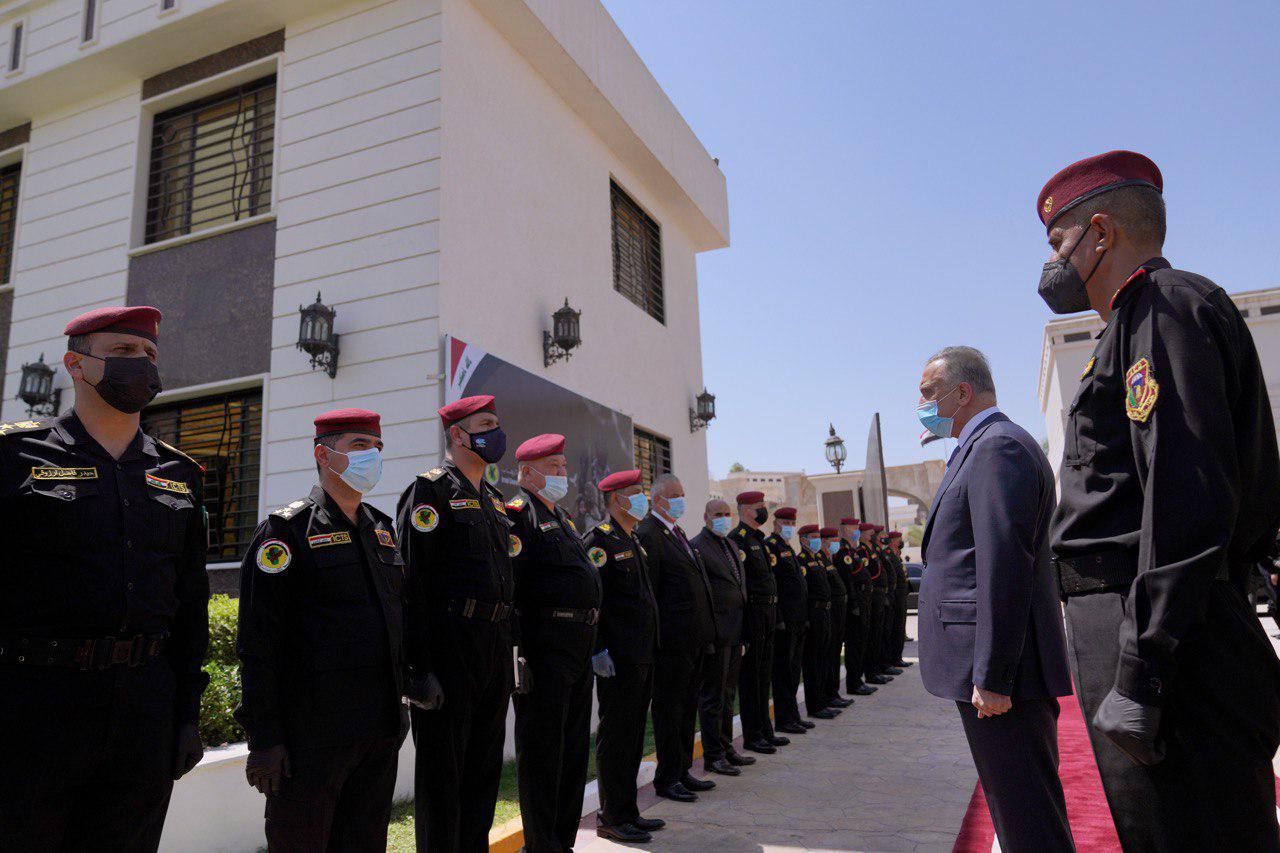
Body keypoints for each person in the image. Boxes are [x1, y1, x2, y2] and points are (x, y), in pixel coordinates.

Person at [1036, 150, 1280, 849]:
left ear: (1102, 234)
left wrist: (1143, 668)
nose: (1053, 262)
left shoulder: (1164, 310)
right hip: (1145, 627)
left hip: (1172, 648)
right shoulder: (1132, 323)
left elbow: (1187, 497)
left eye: (1060, 242)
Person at [0, 306, 208, 851]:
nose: (141, 364)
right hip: (34, 704)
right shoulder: (14, 456)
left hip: (143, 708)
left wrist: (186, 712)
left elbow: (191, 603)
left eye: (149, 355)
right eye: (122, 352)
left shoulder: (179, 473)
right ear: (76, 364)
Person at [916, 346, 1075, 852]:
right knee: (1017, 812)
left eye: (927, 393)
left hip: (1004, 677)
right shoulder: (978, 445)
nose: (920, 404)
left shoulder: (996, 447)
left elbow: (1003, 566)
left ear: (961, 392)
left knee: (1028, 818)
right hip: (994, 672)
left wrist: (993, 674)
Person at [236, 409, 408, 851]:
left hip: (378, 729)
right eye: (359, 446)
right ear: (322, 455)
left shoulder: (382, 530)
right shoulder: (286, 532)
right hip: (312, 738)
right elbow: (259, 645)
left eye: (377, 447)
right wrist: (266, 740)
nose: (372, 456)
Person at [397, 394, 518, 852]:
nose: (496, 432)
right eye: (486, 423)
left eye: (496, 422)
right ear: (457, 434)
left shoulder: (494, 499)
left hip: (492, 645)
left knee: (484, 773)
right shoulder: (429, 492)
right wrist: (417, 670)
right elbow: (413, 585)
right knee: (443, 777)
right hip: (451, 648)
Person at [506, 434, 601, 853]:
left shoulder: (561, 518)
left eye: (564, 467)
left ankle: (562, 843)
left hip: (577, 645)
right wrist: (519, 654)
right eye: (553, 468)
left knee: (573, 751)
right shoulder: (518, 515)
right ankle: (540, 845)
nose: (563, 474)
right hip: (544, 649)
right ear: (526, 473)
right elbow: (513, 590)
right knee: (544, 753)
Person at [586, 470, 664, 844]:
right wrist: (598, 648)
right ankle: (611, 816)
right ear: (617, 499)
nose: (642, 499)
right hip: (617, 658)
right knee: (616, 738)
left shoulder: (634, 541)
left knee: (633, 737)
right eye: (636, 493)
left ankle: (628, 810)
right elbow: (594, 600)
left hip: (641, 655)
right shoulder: (600, 541)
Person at [637, 473, 718, 801]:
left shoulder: (677, 532)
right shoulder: (649, 534)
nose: (681, 500)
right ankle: (667, 778)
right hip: (670, 645)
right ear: (658, 500)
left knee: (686, 710)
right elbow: (650, 593)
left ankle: (682, 770)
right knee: (669, 713)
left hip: (692, 642)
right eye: (676, 495)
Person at [691, 499, 750, 775]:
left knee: (728, 695)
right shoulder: (698, 546)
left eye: (727, 514)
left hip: (736, 632)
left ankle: (726, 748)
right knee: (713, 697)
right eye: (718, 514)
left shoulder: (731, 545)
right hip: (716, 635)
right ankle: (713, 755)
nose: (724, 519)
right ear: (706, 517)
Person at [729, 491, 788, 753]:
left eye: (763, 506)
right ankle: (753, 736)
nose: (763, 511)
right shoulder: (737, 540)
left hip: (768, 615)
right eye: (758, 507)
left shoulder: (759, 539)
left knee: (765, 676)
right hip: (752, 616)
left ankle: (766, 730)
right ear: (744, 510)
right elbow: (741, 583)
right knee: (751, 679)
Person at [764, 507, 812, 734]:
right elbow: (775, 585)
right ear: (775, 523)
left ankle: (792, 715)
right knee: (782, 673)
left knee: (793, 672)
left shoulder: (787, 547)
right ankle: (784, 720)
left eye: (792, 523)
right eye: (785, 522)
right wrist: (780, 619)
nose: (790, 526)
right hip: (785, 621)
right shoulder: (771, 546)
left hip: (797, 618)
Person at [797, 525, 838, 720]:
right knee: (813, 662)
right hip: (814, 614)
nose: (816, 540)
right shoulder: (803, 560)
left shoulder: (818, 559)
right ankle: (815, 705)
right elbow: (803, 593)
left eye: (817, 537)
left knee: (823, 658)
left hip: (825, 613)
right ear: (804, 540)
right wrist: (806, 618)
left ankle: (823, 701)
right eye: (813, 537)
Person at [836, 518, 876, 696]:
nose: (857, 530)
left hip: (863, 600)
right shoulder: (843, 551)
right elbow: (848, 581)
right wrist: (853, 604)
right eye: (853, 527)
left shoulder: (853, 550)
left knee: (862, 642)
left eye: (858, 528)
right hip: (856, 603)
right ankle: (853, 683)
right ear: (844, 530)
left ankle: (857, 680)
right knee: (854, 644)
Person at [819, 528, 854, 710]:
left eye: (836, 539)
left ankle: (833, 694)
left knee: (834, 655)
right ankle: (827, 695)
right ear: (824, 541)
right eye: (832, 539)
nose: (835, 543)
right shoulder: (819, 560)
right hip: (828, 613)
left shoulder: (829, 559)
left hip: (837, 613)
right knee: (828, 656)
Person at [859, 522, 891, 686]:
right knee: (872, 636)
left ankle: (877, 670)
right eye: (871, 532)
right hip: (872, 595)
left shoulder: (871, 549)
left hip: (879, 593)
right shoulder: (861, 550)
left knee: (878, 633)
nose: (874, 535)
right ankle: (871, 673)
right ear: (863, 533)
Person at [887, 532, 912, 667]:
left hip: (902, 595)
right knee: (896, 627)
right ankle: (894, 658)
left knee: (901, 626)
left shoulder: (896, 553)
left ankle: (898, 657)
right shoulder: (889, 554)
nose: (901, 541)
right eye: (898, 539)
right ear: (892, 541)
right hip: (896, 596)